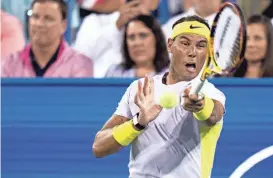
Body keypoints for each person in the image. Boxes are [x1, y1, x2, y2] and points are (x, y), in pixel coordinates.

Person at [92, 15, 226, 178]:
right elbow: (99, 147)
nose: (192, 52)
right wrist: (138, 123)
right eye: (185, 43)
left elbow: (213, 114)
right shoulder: (140, 89)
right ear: (170, 45)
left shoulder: (210, 93)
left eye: (201, 45)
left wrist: (200, 105)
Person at [2, 0, 93, 78]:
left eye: (48, 18)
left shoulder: (80, 65)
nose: (39, 24)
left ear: (63, 25)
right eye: (35, 17)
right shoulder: (9, 63)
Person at [74, 0, 160, 78]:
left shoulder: (154, 25)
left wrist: (150, 25)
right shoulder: (94, 21)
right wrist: (116, 26)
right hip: (103, 86)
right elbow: (80, 56)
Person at [105, 15, 170, 78]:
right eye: (131, 37)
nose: (137, 43)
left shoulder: (172, 74)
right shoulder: (114, 73)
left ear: (157, 39)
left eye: (143, 35)